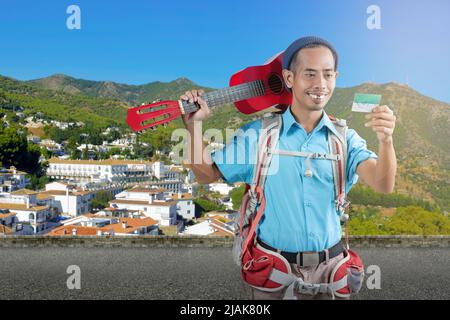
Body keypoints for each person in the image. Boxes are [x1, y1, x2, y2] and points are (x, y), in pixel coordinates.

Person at [180, 36, 397, 299]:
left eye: (328, 75)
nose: (320, 84)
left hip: (332, 274)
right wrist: (194, 127)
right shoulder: (258, 136)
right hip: (273, 275)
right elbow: (206, 175)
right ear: (289, 78)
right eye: (310, 74)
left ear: (336, 77)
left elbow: (383, 184)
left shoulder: (345, 139)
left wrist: (386, 141)